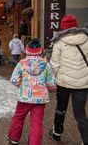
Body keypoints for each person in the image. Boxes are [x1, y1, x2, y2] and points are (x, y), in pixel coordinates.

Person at [6, 38, 56, 145]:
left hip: (24, 98)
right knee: (37, 123)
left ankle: (14, 138)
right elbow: (51, 84)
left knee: (19, 117)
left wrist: (22, 86)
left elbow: (14, 80)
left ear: (27, 50)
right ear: (40, 50)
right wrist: (51, 90)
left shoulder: (21, 64)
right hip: (40, 99)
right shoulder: (46, 65)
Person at [48, 14, 88, 145]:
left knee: (61, 109)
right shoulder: (86, 40)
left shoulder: (59, 43)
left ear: (63, 27)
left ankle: (57, 133)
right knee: (80, 112)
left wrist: (57, 77)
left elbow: (55, 65)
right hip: (83, 84)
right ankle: (86, 139)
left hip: (64, 83)